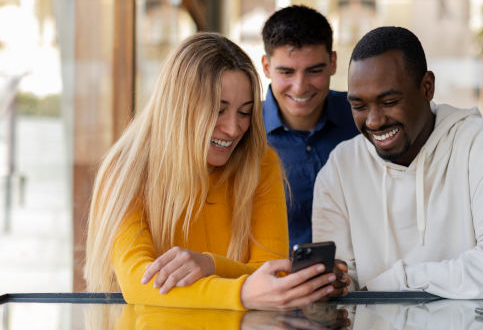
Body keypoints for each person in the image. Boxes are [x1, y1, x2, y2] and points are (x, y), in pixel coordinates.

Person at [85, 33, 343, 311]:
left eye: (244, 112)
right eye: (218, 111)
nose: (233, 129)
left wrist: (208, 264)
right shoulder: (125, 171)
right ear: (179, 107)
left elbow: (270, 272)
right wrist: (241, 292)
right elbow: (139, 283)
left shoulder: (261, 164)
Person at [312, 26, 483, 299]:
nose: (374, 121)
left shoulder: (481, 143)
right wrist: (334, 285)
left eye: (390, 101)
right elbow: (345, 285)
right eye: (359, 106)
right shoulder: (340, 168)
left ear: (427, 87)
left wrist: (397, 280)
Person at [261, 5, 358, 251]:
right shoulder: (243, 130)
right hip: (275, 282)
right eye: (286, 72)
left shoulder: (364, 118)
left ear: (333, 62)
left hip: (363, 282)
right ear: (266, 67)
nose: (300, 87)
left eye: (314, 71)